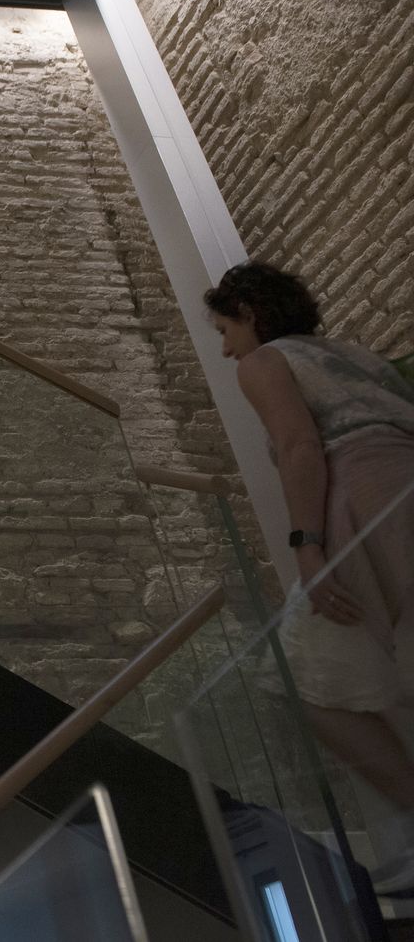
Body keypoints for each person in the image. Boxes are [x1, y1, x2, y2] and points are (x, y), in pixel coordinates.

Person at [208, 261, 414, 893]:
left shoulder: (263, 363)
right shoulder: (357, 356)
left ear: (250, 311)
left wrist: (306, 546)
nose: (224, 346)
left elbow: (300, 446)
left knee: (300, 673)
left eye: (225, 328)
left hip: (362, 496)